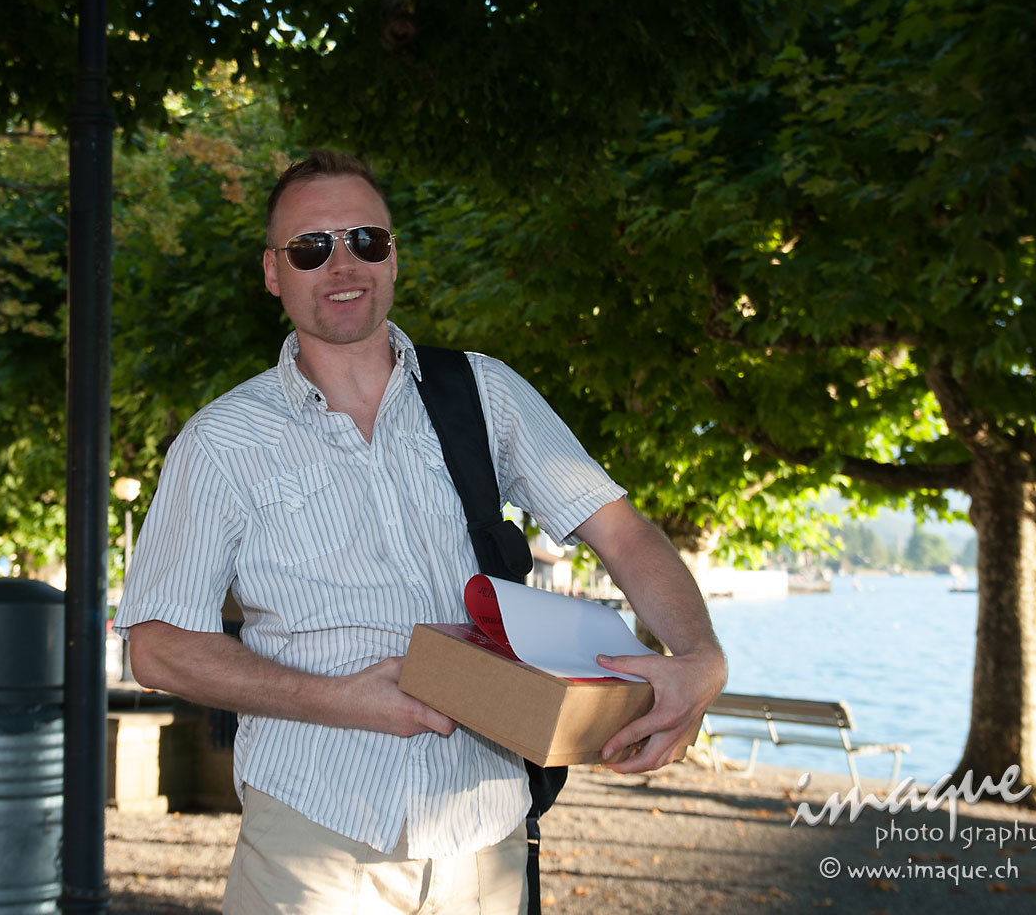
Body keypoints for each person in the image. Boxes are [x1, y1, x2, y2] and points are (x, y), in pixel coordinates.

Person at [113, 151, 727, 914]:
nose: (343, 264)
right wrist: (339, 699)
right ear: (273, 272)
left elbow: (623, 534)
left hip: (486, 835)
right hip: (313, 837)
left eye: (366, 240)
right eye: (311, 247)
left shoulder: (483, 392)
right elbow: (158, 647)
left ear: (394, 256)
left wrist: (700, 656)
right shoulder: (221, 441)